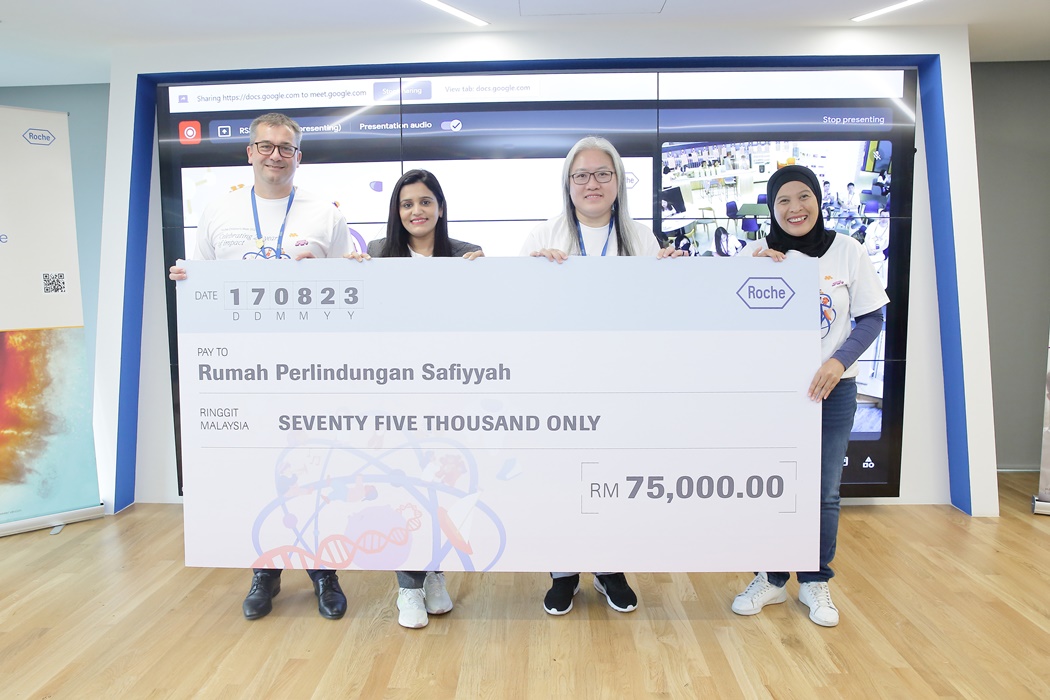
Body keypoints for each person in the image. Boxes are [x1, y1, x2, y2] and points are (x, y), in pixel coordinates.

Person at [169, 112, 351, 621]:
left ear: (299, 155)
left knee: (315, 469)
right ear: (248, 152)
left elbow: (346, 291)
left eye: (285, 147)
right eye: (265, 145)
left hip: (310, 370)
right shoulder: (218, 212)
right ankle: (264, 571)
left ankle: (323, 572)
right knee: (255, 469)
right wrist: (188, 280)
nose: (275, 154)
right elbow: (201, 281)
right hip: (242, 371)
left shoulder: (326, 215)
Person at [521, 135, 681, 615]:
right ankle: (563, 572)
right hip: (559, 383)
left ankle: (609, 567)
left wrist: (675, 277)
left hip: (621, 384)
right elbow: (519, 312)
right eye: (581, 175)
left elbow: (658, 312)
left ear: (618, 183)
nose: (592, 183)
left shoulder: (641, 237)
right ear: (568, 184)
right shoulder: (541, 237)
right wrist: (532, 275)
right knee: (561, 478)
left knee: (613, 478)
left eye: (602, 174)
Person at [730, 165, 888, 627]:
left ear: (818, 200)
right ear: (772, 207)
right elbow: (727, 319)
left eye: (804, 197)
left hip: (831, 392)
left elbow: (872, 318)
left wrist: (837, 364)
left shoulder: (848, 251)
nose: (795, 208)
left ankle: (815, 580)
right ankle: (773, 578)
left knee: (823, 491)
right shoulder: (755, 252)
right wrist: (747, 277)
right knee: (772, 485)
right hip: (771, 395)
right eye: (783, 200)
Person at [345, 169, 482, 628]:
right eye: (407, 204)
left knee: (440, 483)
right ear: (396, 211)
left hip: (450, 390)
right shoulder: (378, 254)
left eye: (425, 202)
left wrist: (489, 274)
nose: (416, 211)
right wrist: (353, 274)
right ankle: (408, 587)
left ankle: (435, 574)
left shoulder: (465, 255)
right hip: (395, 390)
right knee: (403, 482)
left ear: (440, 207)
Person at [864, 208, 890, 288]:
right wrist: (869, 249)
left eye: (886, 216)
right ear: (879, 216)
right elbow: (866, 238)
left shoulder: (890, 228)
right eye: (882, 216)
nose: (884, 218)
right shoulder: (873, 225)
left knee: (874, 261)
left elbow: (886, 244)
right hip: (867, 247)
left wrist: (877, 250)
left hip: (879, 251)